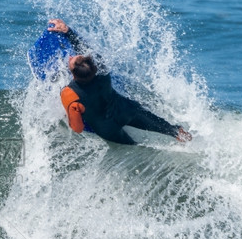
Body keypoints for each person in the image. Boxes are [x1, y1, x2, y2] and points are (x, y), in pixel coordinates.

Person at [48, 19, 192, 145]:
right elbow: (85, 49)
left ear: (72, 73)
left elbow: (77, 129)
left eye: (71, 61)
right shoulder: (102, 69)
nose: (70, 58)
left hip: (106, 127)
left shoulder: (69, 94)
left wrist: (68, 112)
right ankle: (190, 141)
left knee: (136, 148)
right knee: (172, 130)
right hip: (126, 110)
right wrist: (68, 31)